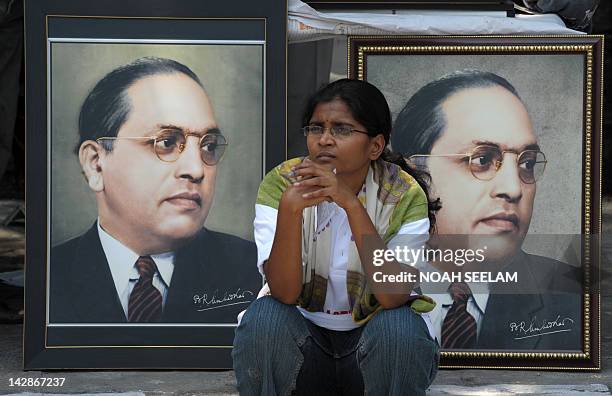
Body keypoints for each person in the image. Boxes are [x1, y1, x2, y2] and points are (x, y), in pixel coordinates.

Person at [232, 79, 440, 395]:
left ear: (375, 146)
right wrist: (290, 210)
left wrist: (350, 204)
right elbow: (284, 292)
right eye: (316, 128)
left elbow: (393, 295)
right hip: (302, 347)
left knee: (399, 326)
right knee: (265, 318)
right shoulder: (281, 184)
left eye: (341, 130)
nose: (325, 140)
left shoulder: (404, 194)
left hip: (373, 352)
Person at [49, 57, 261, 323]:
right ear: (96, 164)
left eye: (208, 146)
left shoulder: (254, 269)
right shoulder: (48, 277)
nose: (196, 169)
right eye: (166, 142)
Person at [391, 69, 582, 350]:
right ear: (412, 174)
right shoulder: (354, 282)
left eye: (527, 163)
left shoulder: (572, 295)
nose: (514, 188)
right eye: (482, 159)